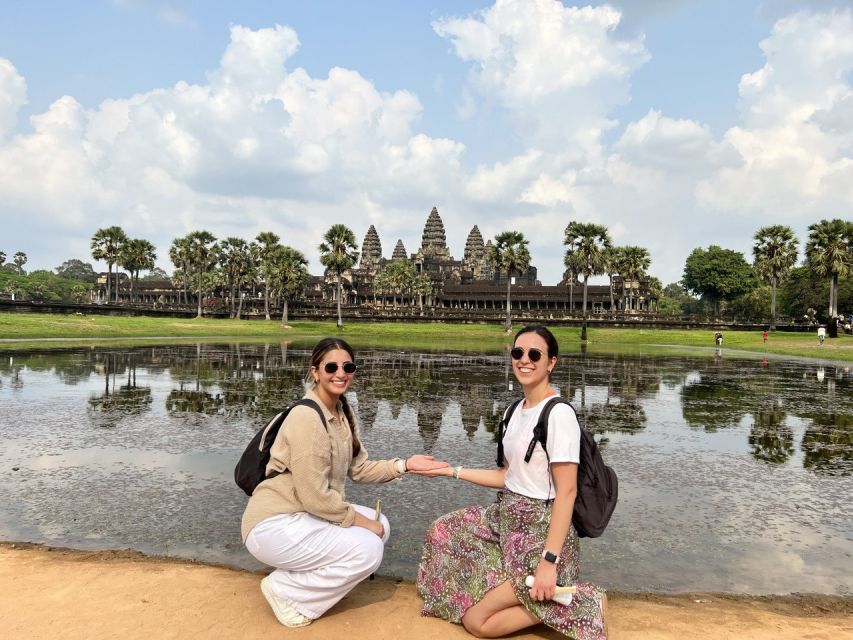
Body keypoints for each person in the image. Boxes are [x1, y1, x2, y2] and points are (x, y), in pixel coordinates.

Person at [412, 325, 607, 639]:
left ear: (551, 362)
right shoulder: (513, 411)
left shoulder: (558, 415)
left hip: (540, 531)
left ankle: (582, 601)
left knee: (477, 622)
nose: (524, 360)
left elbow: (567, 492)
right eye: (518, 353)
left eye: (534, 354)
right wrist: (451, 471)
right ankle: (527, 591)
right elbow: (506, 476)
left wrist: (549, 560)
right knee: (443, 531)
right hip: (505, 518)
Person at [240, 337, 448, 627]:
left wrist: (406, 465)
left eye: (347, 366)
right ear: (315, 371)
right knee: (369, 546)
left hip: (303, 516)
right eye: (331, 367)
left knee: (382, 525)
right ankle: (285, 590)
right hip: (274, 523)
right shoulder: (306, 417)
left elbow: (359, 469)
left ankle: (300, 578)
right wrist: (362, 523)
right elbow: (315, 497)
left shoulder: (341, 412)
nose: (341, 373)